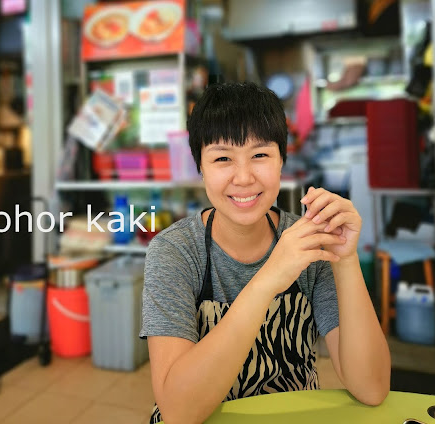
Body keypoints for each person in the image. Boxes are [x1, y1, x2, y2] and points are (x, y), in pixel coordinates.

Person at [140, 82, 390, 424]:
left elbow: (372, 388)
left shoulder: (311, 243)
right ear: (200, 166)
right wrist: (269, 277)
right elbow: (178, 412)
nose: (243, 178)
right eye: (223, 158)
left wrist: (344, 257)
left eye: (260, 155)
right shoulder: (175, 252)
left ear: (281, 160)